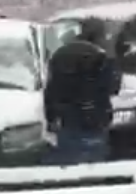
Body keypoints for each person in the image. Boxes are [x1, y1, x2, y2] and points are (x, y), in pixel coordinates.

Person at [44, 16, 121, 165]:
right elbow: (112, 88)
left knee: (70, 161)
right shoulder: (101, 56)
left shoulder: (60, 54)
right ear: (98, 35)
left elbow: (51, 90)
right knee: (95, 163)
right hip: (95, 118)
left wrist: (51, 118)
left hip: (68, 118)